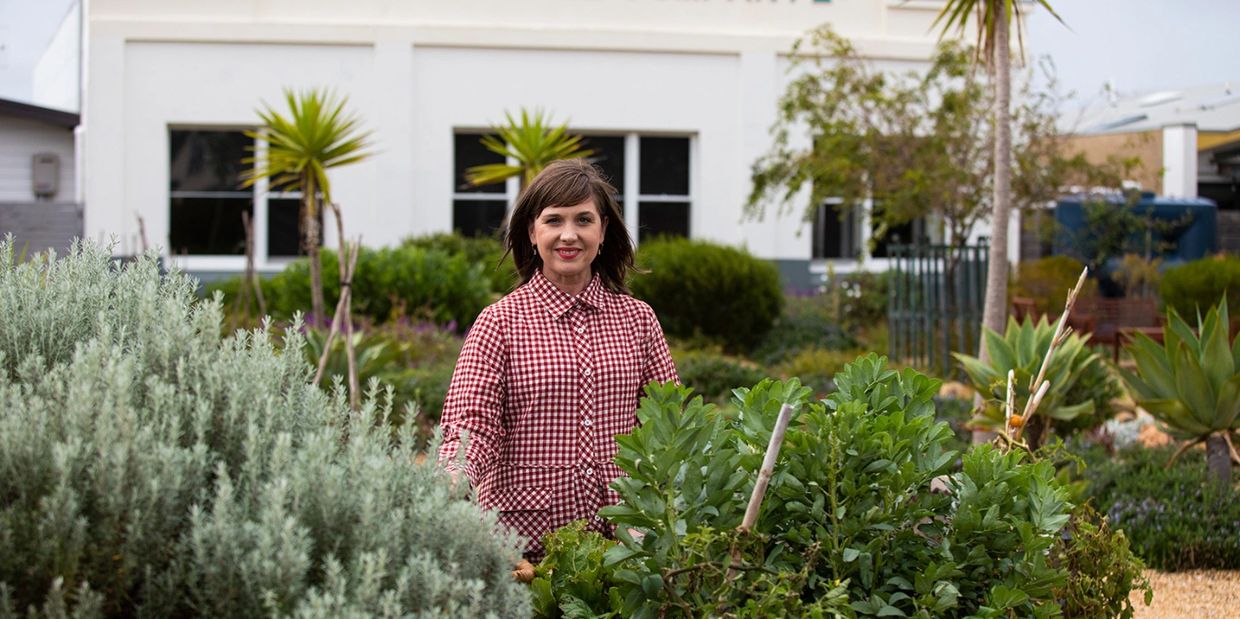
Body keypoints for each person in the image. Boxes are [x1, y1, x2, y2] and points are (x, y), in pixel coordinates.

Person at [437, 159, 678, 561]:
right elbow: (472, 427)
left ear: (602, 230)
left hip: (621, 543)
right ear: (533, 232)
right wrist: (450, 482)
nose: (569, 235)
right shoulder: (499, 323)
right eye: (554, 221)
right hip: (521, 547)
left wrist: (651, 508)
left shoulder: (639, 320)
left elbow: (664, 426)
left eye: (583, 220)